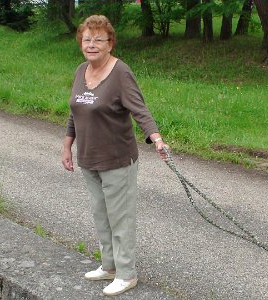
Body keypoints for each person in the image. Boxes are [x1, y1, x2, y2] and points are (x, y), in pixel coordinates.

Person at [61, 15, 169, 296]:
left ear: (110, 43)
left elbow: (140, 109)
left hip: (118, 160)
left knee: (120, 218)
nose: (92, 44)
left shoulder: (120, 72)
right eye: (87, 39)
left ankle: (126, 273)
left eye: (99, 39)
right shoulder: (80, 71)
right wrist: (67, 144)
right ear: (80, 43)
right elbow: (75, 110)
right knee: (101, 215)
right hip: (89, 158)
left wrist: (155, 138)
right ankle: (109, 266)